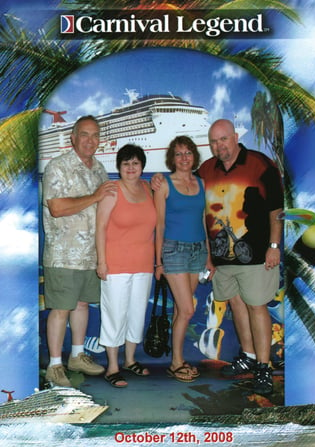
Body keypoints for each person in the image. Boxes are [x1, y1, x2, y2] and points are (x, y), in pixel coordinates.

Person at [198, 119, 284, 395]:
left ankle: (263, 367)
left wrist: (274, 245)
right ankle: (247, 355)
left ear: (235, 137)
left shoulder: (261, 164)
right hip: (223, 259)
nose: (218, 145)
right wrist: (209, 256)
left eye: (223, 139)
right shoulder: (206, 169)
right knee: (236, 305)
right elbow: (200, 211)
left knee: (257, 307)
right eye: (213, 141)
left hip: (257, 255)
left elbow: (276, 210)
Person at [42, 115, 115, 387]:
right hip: (63, 253)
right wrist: (95, 196)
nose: (90, 140)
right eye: (84, 134)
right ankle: (54, 364)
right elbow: (57, 208)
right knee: (61, 308)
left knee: (82, 305)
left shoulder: (100, 170)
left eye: (95, 135)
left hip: (91, 255)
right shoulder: (57, 167)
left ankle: (76, 355)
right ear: (72, 137)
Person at [96, 144, 157, 388]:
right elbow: (100, 228)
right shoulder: (112, 191)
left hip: (143, 265)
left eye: (135, 163)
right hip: (116, 265)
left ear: (142, 166)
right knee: (114, 315)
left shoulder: (147, 188)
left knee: (136, 315)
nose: (130, 168)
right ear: (119, 167)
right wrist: (101, 261)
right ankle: (112, 367)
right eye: (125, 164)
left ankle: (130, 360)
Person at [154, 136, 210, 383]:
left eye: (188, 153)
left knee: (181, 310)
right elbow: (159, 225)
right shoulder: (164, 184)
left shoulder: (202, 183)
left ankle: (177, 359)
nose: (184, 157)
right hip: (174, 251)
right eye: (179, 154)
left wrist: (208, 256)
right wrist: (158, 262)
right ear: (172, 158)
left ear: (194, 156)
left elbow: (204, 222)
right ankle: (176, 362)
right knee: (188, 309)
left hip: (198, 251)